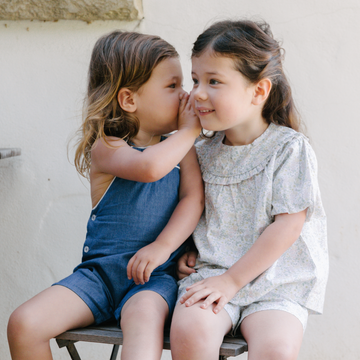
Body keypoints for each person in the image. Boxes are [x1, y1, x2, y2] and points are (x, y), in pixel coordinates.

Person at [7, 31, 204, 360]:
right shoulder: (108, 146)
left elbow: (193, 200)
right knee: (23, 323)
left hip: (153, 281)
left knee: (143, 321)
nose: (185, 96)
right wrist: (190, 130)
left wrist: (163, 247)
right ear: (129, 100)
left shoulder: (183, 149)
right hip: (98, 277)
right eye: (172, 86)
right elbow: (150, 168)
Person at [170, 19, 328, 360]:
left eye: (214, 81)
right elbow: (189, 205)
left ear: (258, 91)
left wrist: (232, 281)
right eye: (195, 79)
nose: (197, 93)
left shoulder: (288, 148)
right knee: (189, 330)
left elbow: (288, 224)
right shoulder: (199, 151)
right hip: (211, 273)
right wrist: (184, 249)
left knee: (276, 350)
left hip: (276, 281)